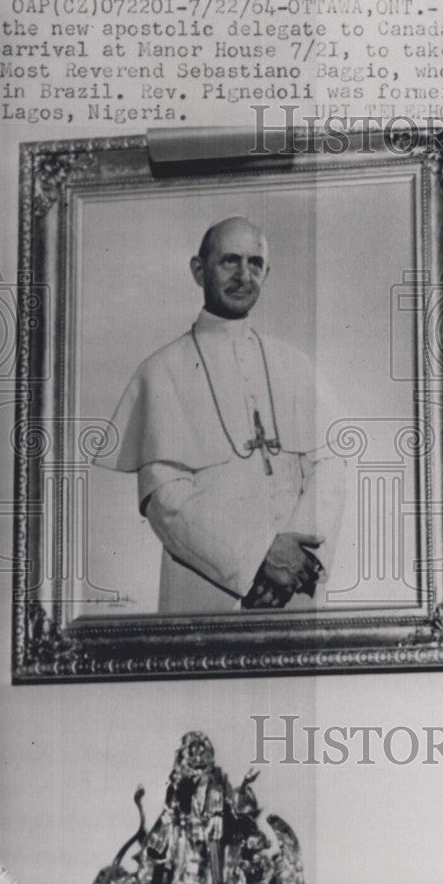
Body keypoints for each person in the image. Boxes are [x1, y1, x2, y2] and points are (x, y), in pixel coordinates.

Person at [96, 217, 346, 613]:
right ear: (199, 270)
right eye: (230, 261)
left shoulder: (294, 365)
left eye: (255, 264)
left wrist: (294, 556)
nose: (243, 276)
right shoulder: (161, 371)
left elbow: (330, 466)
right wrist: (256, 562)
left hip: (295, 584)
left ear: (267, 272)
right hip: (207, 587)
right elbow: (166, 500)